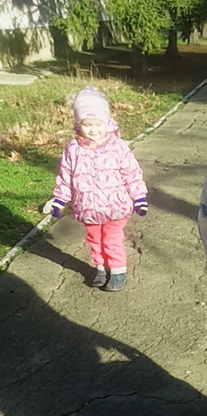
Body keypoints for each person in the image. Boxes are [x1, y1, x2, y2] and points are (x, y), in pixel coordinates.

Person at [45, 85, 148, 291]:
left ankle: (117, 271)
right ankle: (101, 268)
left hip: (115, 206)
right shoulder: (73, 149)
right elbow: (65, 176)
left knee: (111, 238)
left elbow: (131, 173)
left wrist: (139, 197)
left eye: (98, 124)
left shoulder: (117, 147)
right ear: (78, 124)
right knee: (94, 239)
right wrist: (59, 199)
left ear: (107, 122)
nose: (93, 130)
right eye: (87, 124)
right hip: (87, 207)